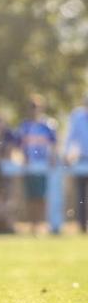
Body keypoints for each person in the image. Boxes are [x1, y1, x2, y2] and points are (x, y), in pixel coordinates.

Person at [16, 94, 57, 233]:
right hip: (29, 166)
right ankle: (32, 224)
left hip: (44, 165)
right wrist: (22, 158)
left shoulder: (48, 125)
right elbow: (20, 145)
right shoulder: (25, 126)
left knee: (42, 196)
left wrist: (53, 158)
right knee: (30, 196)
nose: (34, 110)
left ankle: (40, 224)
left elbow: (54, 144)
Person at [64, 94, 88, 233]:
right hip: (82, 159)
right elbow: (70, 137)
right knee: (80, 195)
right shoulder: (77, 117)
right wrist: (67, 154)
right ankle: (82, 225)